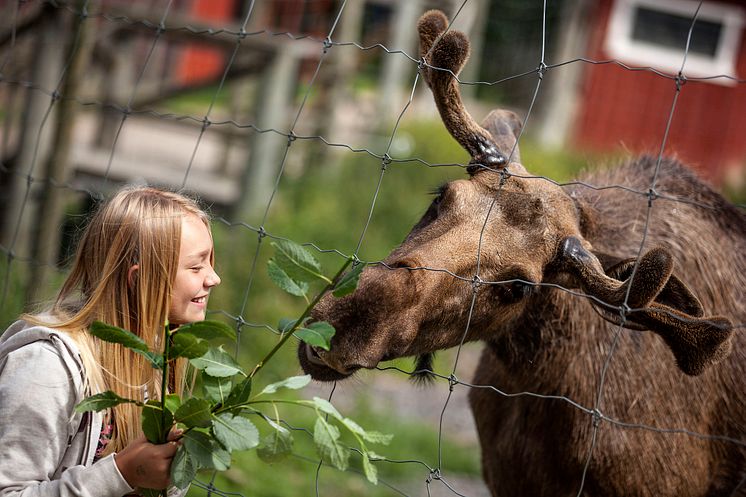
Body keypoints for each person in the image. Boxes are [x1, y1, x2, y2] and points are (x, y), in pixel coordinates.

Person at [0, 186, 222, 496]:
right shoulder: (46, 368)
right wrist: (122, 473)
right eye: (196, 266)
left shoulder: (153, 358)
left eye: (210, 263)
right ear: (138, 279)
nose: (213, 278)